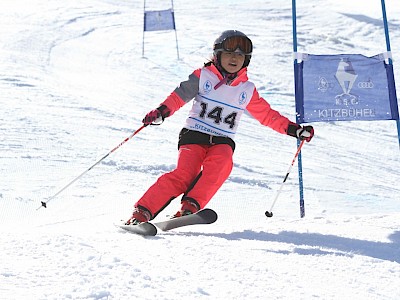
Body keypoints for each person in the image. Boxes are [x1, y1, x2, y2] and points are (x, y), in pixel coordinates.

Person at [126, 30, 314, 225]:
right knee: (184, 175)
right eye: (229, 53)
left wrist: (294, 130)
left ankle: (190, 207)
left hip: (222, 139)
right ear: (218, 55)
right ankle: (142, 212)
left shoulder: (246, 90)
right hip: (195, 133)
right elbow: (179, 96)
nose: (234, 58)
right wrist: (161, 112)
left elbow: (267, 115)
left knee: (222, 163)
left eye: (240, 55)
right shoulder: (203, 76)